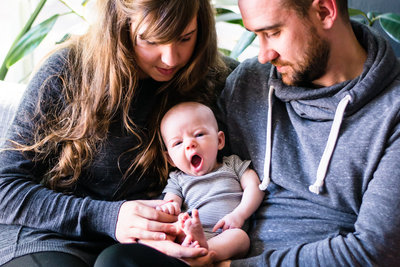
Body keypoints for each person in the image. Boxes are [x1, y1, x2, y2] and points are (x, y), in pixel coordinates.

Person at [0, 0, 237, 266]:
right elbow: (5, 188)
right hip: (53, 236)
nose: (171, 58)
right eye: (150, 40)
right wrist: (110, 217)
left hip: (154, 246)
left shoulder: (219, 78)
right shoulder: (66, 71)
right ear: (119, 27)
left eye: (185, 38)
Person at [217, 0, 400, 266]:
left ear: (324, 11)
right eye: (257, 36)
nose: (264, 54)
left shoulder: (392, 111)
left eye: (273, 33)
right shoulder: (248, 82)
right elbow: (196, 175)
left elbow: (375, 251)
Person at [154, 101, 264, 262]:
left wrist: (239, 214)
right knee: (172, 231)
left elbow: (255, 187)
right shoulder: (178, 179)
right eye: (178, 143)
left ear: (219, 141)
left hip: (226, 234)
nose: (190, 144)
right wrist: (171, 207)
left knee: (241, 238)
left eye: (199, 134)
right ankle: (195, 250)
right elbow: (170, 203)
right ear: (170, 158)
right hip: (189, 234)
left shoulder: (232, 164)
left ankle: (203, 254)